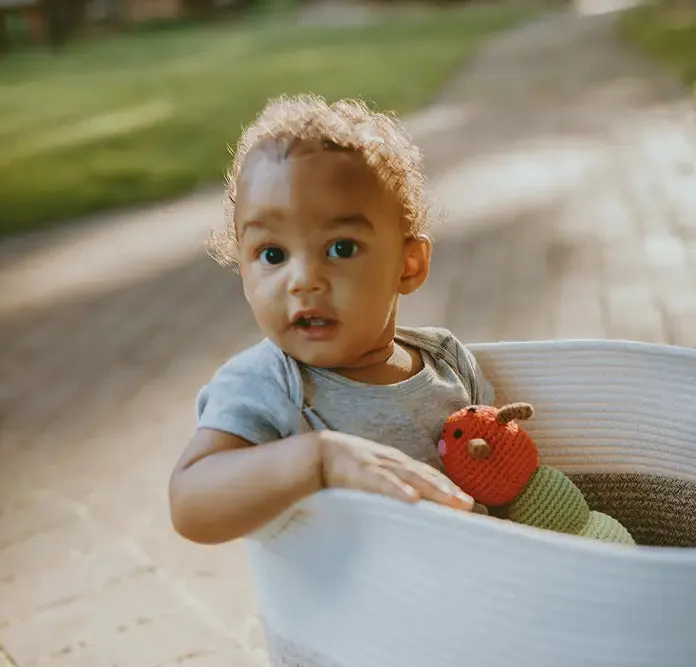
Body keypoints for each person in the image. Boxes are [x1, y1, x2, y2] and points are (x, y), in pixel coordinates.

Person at [169, 94, 495, 545]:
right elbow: (190, 501)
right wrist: (317, 461)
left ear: (409, 264)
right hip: (347, 611)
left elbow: (501, 478)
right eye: (272, 254)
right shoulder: (269, 385)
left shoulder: (448, 364)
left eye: (340, 248)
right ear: (243, 269)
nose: (303, 280)